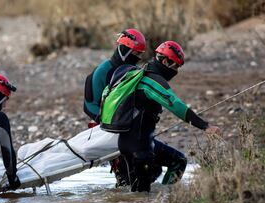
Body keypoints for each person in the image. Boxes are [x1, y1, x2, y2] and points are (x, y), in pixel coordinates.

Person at [104, 41, 221, 192]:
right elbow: (176, 106)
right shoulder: (152, 80)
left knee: (178, 161)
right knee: (140, 197)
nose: (176, 71)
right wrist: (205, 126)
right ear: (165, 61)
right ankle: (160, 202)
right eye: (175, 66)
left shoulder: (138, 74)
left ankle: (164, 196)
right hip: (140, 149)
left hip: (128, 143)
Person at [83, 28, 146, 187]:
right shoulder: (102, 72)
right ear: (124, 49)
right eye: (136, 54)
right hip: (107, 129)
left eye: (140, 55)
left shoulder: (134, 72)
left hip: (130, 128)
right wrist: (112, 124)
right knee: (126, 177)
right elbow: (88, 105)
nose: (138, 58)